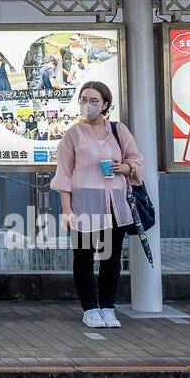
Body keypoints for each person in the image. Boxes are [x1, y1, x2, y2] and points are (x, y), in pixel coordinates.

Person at [51, 81, 144, 328]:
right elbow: (64, 175)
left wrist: (123, 167)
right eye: (84, 99)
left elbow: (136, 161)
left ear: (105, 104)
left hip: (115, 202)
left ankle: (108, 307)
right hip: (84, 203)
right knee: (84, 257)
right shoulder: (72, 134)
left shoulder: (118, 130)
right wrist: (67, 209)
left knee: (111, 258)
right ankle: (90, 308)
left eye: (94, 101)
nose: (88, 105)